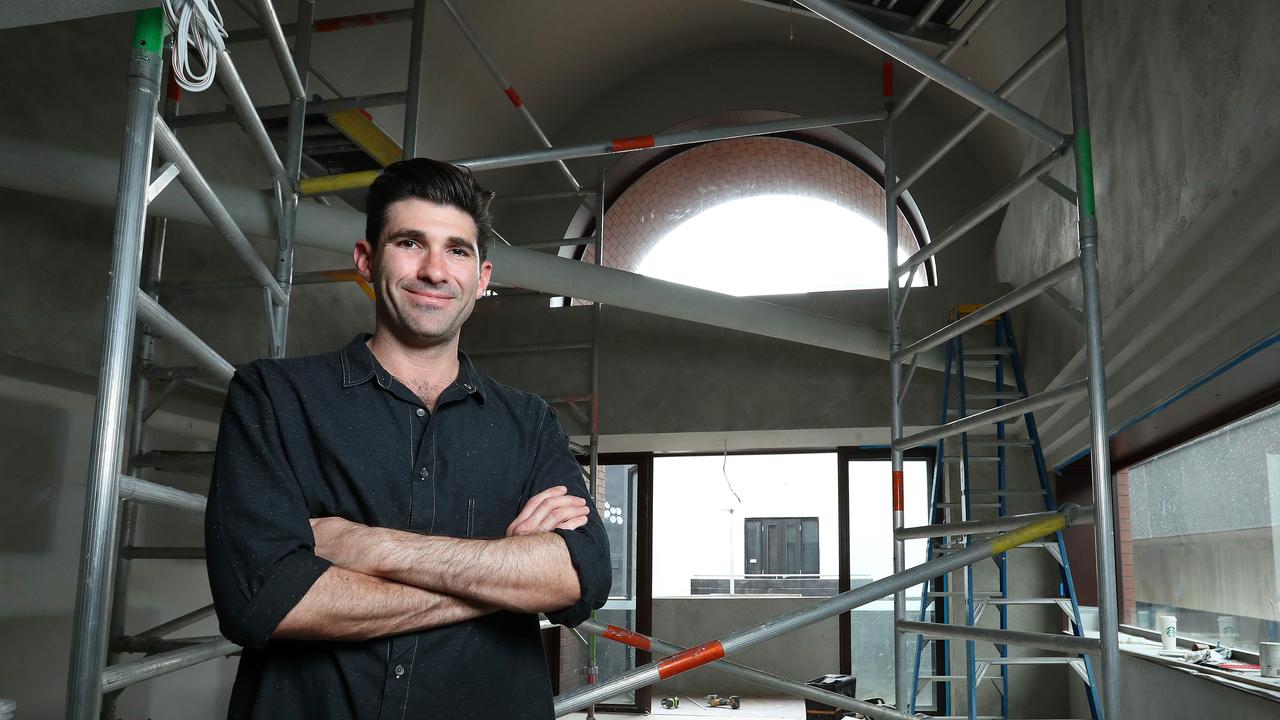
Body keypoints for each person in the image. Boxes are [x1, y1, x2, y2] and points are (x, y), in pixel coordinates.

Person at [204, 158, 611, 720]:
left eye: (458, 251)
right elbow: (265, 600)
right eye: (410, 243)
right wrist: (506, 579)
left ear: (482, 279)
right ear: (366, 261)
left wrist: (367, 548)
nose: (434, 270)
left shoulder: (529, 422)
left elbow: (580, 575)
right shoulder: (273, 397)